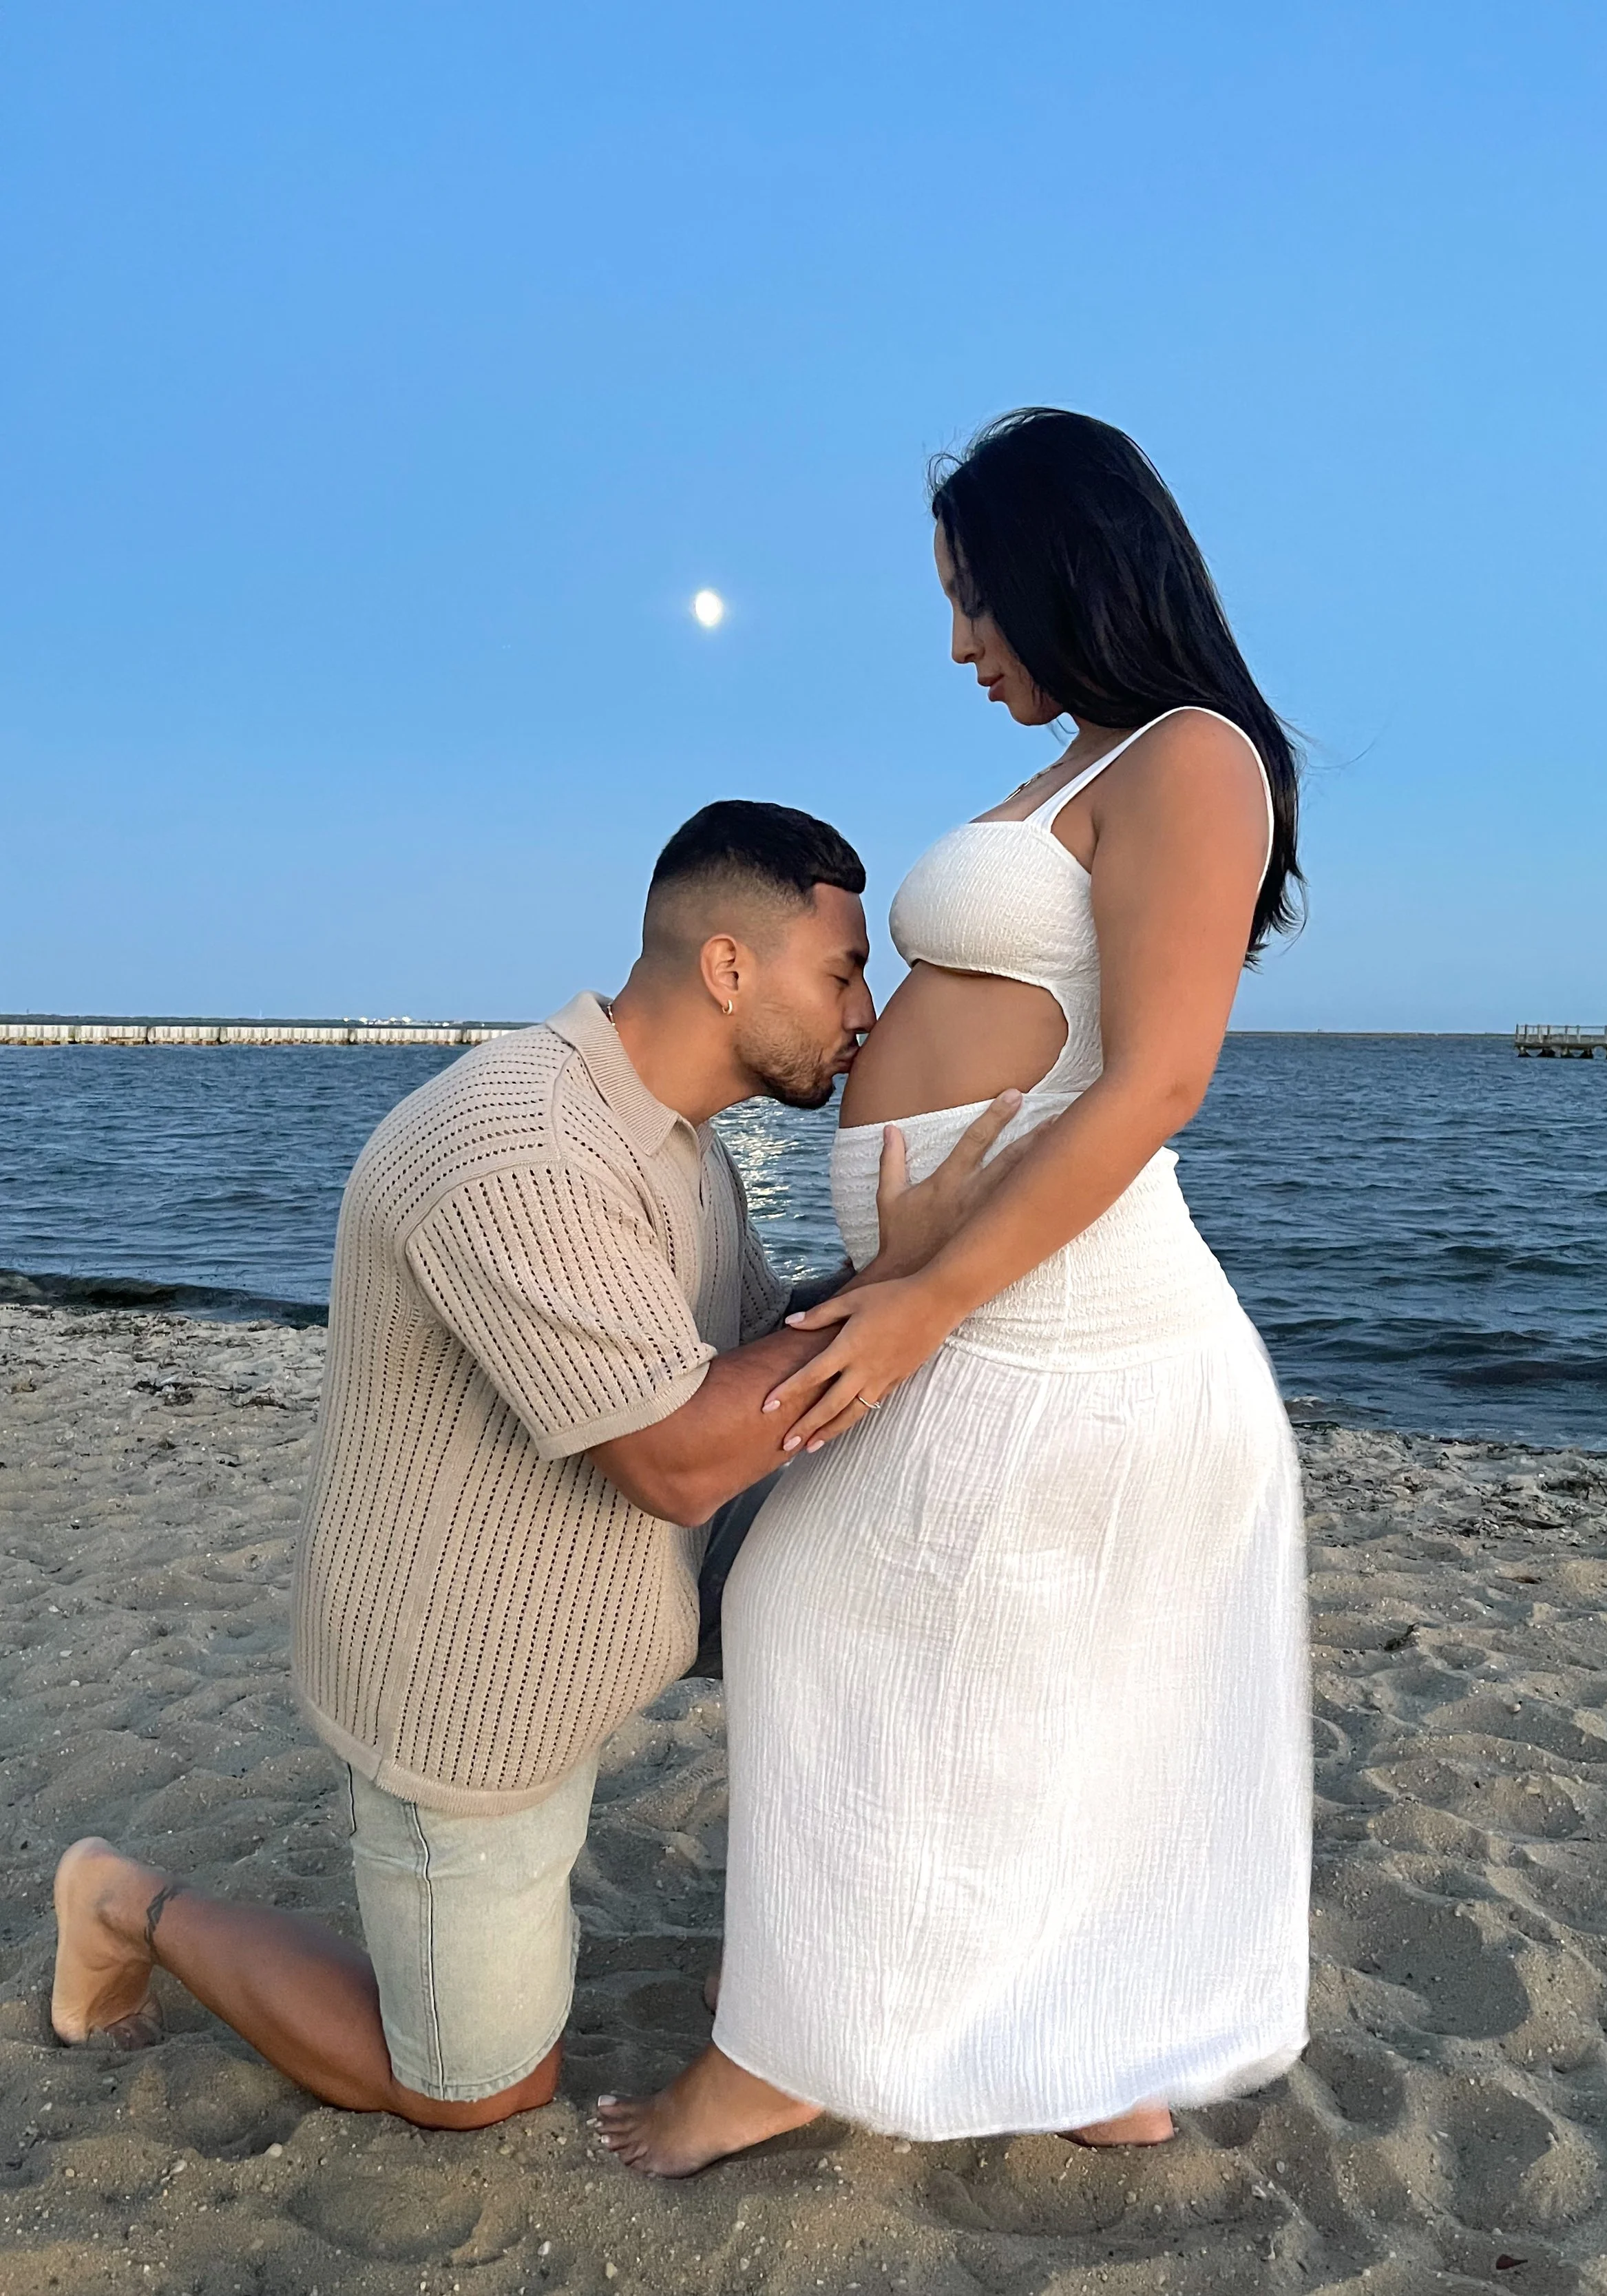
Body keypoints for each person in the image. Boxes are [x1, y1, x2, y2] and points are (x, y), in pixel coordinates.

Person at [50, 800, 1022, 2128]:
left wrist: (900, 1272)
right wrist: (909, 1283)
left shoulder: (679, 1142)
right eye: (845, 973)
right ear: (728, 967)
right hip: (473, 1677)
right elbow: (679, 1461)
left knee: (921, 1540)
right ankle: (125, 1900)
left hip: (625, 1598)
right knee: (471, 2090)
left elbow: (751, 1346)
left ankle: (818, 1947)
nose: (867, 1013)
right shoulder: (520, 1147)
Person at [598, 409, 1313, 2175]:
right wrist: (902, 1262)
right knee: (1025, 1679)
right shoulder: (1088, 766)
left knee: (815, 1610)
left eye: (970, 596)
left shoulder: (1191, 756)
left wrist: (927, 1296)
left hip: (1068, 1318)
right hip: (983, 1293)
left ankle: (779, 2060)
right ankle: (1087, 2050)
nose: (956, 642)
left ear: (1064, 565)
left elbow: (1156, 1080)